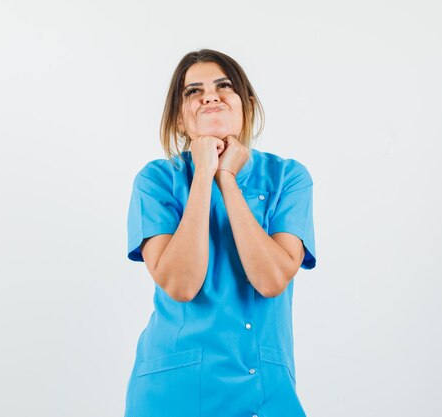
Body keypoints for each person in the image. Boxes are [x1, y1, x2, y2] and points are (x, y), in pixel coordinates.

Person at [124, 49, 317, 417]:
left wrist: (226, 178)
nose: (209, 95)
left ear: (246, 104)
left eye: (222, 85)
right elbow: (181, 284)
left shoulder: (288, 178)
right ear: (180, 121)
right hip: (173, 394)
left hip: (266, 390)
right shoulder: (156, 181)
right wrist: (203, 174)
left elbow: (272, 278)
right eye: (193, 91)